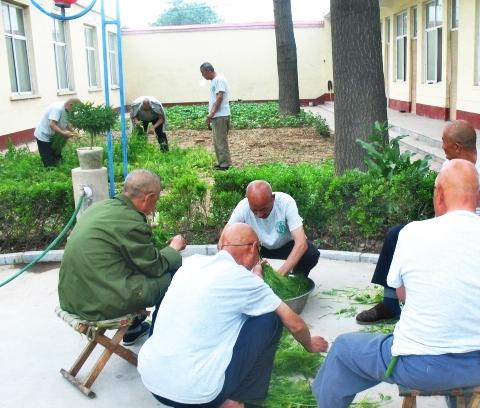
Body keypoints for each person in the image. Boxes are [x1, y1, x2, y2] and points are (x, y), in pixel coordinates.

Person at [313, 159, 480, 408]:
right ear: (477, 197)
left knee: (344, 349)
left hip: (418, 366)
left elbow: (402, 295)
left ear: (439, 194)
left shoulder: (412, 233)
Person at [138, 223, 328, 408]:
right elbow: (294, 324)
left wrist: (257, 274)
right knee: (270, 319)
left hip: (152, 381)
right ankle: (238, 400)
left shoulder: (191, 264)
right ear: (254, 248)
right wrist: (310, 345)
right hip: (199, 395)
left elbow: (244, 286)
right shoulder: (242, 280)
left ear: (220, 246)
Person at [356, 119, 479, 324]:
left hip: (472, 230)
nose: (442, 146)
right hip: (445, 223)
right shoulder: (448, 164)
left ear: (457, 147)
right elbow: (439, 201)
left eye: (444, 141)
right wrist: (439, 226)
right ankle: (390, 303)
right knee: (397, 234)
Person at [58, 169, 186, 345]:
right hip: (96, 304)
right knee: (173, 277)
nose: (154, 207)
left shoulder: (100, 207)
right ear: (149, 198)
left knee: (136, 273)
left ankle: (134, 328)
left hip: (72, 298)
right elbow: (155, 266)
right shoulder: (131, 221)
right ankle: (160, 340)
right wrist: (174, 248)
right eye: (155, 201)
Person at [227, 180, 319, 276]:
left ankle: (296, 279)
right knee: (234, 249)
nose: (259, 214)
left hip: (285, 245)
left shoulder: (286, 202)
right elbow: (224, 241)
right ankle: (246, 279)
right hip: (258, 248)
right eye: (254, 210)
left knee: (311, 254)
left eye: (263, 209)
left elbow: (301, 244)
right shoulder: (242, 207)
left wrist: (279, 276)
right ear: (247, 200)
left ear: (273, 198)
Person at [200, 62, 232, 170]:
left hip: (220, 115)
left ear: (208, 71)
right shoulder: (215, 81)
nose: (202, 76)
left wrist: (211, 113)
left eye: (203, 73)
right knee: (217, 141)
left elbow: (219, 98)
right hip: (217, 116)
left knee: (221, 140)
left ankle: (225, 165)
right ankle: (222, 163)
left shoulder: (219, 80)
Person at [34, 98, 80, 167]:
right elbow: (52, 124)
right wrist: (64, 133)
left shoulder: (67, 110)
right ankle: (49, 172)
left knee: (57, 157)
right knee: (48, 161)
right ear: (71, 105)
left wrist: (75, 133)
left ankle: (58, 168)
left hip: (53, 136)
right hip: (44, 136)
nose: (75, 111)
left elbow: (66, 124)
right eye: (75, 109)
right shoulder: (57, 109)